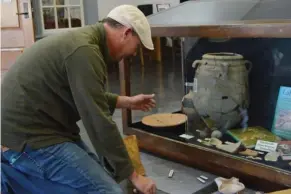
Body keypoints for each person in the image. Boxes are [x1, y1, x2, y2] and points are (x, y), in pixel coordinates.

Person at [1, 4, 157, 194]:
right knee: (108, 191)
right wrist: (134, 176)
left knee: (101, 176)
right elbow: (98, 120)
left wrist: (127, 102)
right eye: (137, 45)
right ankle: (10, 176)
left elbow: (87, 95)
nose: (134, 52)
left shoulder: (85, 43)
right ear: (126, 33)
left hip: (43, 129)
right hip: (28, 139)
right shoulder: (85, 51)